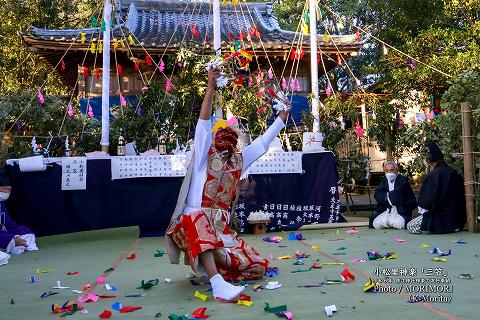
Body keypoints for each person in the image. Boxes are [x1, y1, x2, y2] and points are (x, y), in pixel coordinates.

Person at [166, 68, 289, 301]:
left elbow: (262, 144)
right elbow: (202, 124)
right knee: (197, 219)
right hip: (191, 225)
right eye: (221, 136)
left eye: (230, 136)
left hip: (221, 232)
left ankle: (216, 270)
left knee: (258, 267)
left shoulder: (238, 160)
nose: (227, 139)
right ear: (214, 139)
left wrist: (281, 119)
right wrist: (210, 87)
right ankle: (217, 283)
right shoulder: (204, 154)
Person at [407, 140, 466, 234]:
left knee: (411, 226)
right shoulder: (452, 171)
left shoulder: (434, 174)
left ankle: (432, 229)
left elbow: (427, 202)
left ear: (429, 161)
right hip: (458, 219)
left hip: (441, 218)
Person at [0, 170, 38, 255]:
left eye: (8, 190)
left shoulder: (1, 204)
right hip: (2, 238)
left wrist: (17, 236)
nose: (6, 192)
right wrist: (11, 239)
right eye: (4, 189)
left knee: (27, 234)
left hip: (4, 237)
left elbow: (9, 225)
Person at [371, 161, 416, 229]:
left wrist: (387, 196)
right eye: (387, 171)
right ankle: (388, 222)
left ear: (397, 170)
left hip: (400, 210)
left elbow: (399, 193)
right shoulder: (384, 180)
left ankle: (389, 223)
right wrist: (387, 196)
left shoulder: (402, 180)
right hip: (387, 210)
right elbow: (378, 192)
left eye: (392, 170)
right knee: (376, 224)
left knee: (399, 224)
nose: (389, 173)